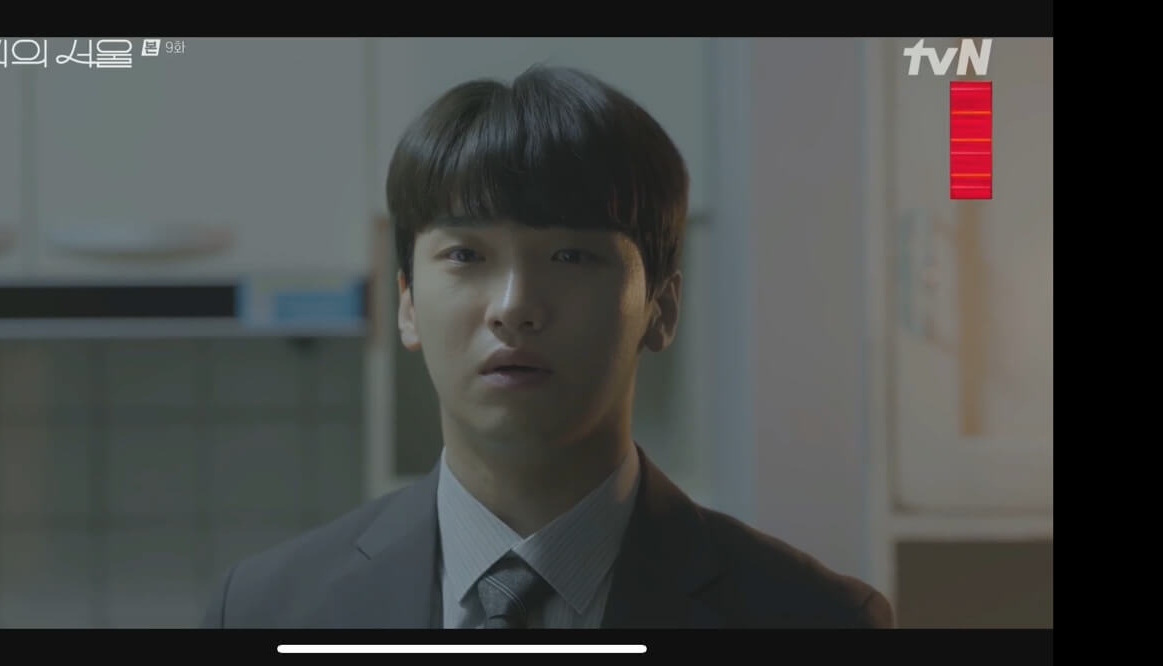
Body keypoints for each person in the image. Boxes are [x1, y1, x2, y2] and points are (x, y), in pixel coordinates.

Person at [202, 65, 894, 629]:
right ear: (407, 304)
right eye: (466, 255)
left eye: (570, 255)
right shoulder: (265, 612)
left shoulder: (817, 621)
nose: (513, 307)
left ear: (661, 307)